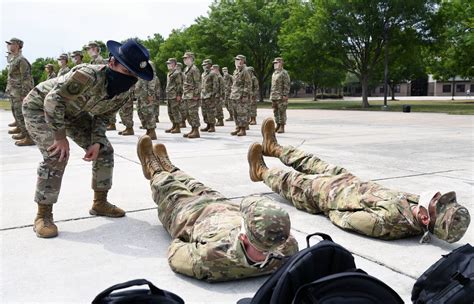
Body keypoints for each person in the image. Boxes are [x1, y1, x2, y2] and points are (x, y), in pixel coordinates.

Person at [247, 118, 471, 244]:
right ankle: (274, 148)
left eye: (440, 204)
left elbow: (346, 220)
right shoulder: (417, 206)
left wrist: (325, 201)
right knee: (311, 161)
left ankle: (260, 171)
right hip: (348, 181)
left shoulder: (388, 223)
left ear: (425, 218)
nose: (439, 197)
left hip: (328, 195)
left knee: (292, 181)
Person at [22, 39, 154, 238]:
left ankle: (100, 203)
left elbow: (104, 116)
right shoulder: (87, 75)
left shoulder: (125, 90)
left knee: (104, 149)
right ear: (112, 63)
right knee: (56, 154)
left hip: (73, 113)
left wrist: (97, 140)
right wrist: (59, 137)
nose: (130, 79)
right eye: (127, 71)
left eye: (135, 75)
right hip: (40, 108)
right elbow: (52, 100)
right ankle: (43, 216)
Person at [136, 135, 299, 281]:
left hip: (190, 215)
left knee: (168, 186)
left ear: (243, 237)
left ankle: (153, 167)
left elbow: (175, 253)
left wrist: (184, 231)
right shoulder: (287, 246)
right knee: (194, 184)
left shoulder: (211, 259)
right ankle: (170, 167)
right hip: (222, 205)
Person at [5, 37, 35, 146]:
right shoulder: (15, 59)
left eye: (10, 43)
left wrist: (25, 94)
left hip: (19, 93)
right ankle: (23, 133)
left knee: (21, 115)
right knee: (16, 113)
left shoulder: (21, 60)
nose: (8, 45)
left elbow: (26, 78)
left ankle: (30, 137)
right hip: (13, 92)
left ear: (17, 45)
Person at [230, 55, 252, 136]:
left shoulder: (245, 71)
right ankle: (238, 128)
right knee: (235, 113)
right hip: (235, 95)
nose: (237, 61)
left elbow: (248, 84)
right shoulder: (236, 71)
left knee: (242, 113)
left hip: (241, 96)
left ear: (243, 61)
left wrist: (245, 95)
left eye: (238, 60)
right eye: (236, 60)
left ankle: (243, 129)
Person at [181, 52, 201, 139]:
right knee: (188, 113)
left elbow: (198, 83)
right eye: (184, 58)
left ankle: (196, 131)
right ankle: (192, 129)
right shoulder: (186, 69)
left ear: (191, 58)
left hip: (192, 95)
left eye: (186, 58)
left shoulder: (194, 69)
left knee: (193, 113)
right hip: (187, 95)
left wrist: (196, 94)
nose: (184, 59)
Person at [270, 57, 290, 133]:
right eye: (274, 63)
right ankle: (277, 124)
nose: (275, 64)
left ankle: (282, 126)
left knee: (282, 111)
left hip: (281, 96)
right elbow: (273, 86)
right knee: (275, 111)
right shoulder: (274, 73)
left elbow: (287, 85)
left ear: (281, 63)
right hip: (274, 96)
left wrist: (285, 95)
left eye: (276, 63)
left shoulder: (284, 73)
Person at [164, 58, 183, 134]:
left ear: (174, 64)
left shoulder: (177, 73)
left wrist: (179, 94)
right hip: (169, 95)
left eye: (169, 63)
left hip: (174, 95)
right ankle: (174, 125)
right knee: (170, 111)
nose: (168, 65)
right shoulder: (169, 73)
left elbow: (179, 84)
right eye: (167, 64)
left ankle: (178, 127)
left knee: (175, 111)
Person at [200, 59, 218, 133]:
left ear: (210, 65)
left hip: (210, 96)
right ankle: (207, 125)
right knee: (204, 111)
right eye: (203, 65)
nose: (204, 66)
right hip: (203, 95)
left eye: (206, 65)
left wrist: (213, 95)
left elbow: (215, 85)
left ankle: (212, 126)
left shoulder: (213, 74)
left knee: (210, 111)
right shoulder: (203, 74)